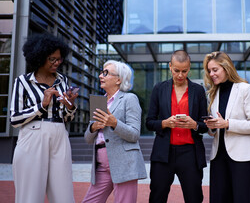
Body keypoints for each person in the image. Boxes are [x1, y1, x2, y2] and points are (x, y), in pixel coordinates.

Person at [10, 34, 78, 203]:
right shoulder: (23, 82)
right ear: (39, 58)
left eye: (59, 59)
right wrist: (42, 105)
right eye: (52, 59)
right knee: (30, 195)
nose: (57, 63)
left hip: (60, 134)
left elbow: (67, 117)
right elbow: (15, 118)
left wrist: (70, 107)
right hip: (33, 135)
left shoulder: (63, 81)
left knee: (64, 195)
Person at [146, 50, 208, 203]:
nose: (180, 75)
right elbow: (149, 122)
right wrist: (165, 123)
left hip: (190, 154)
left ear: (189, 67)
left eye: (184, 71)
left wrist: (194, 125)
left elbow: (204, 125)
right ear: (170, 66)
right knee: (157, 197)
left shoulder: (198, 91)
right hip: (163, 153)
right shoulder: (159, 89)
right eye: (176, 70)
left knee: (194, 198)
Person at [203, 51, 250, 203]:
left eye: (215, 70)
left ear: (226, 67)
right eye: (209, 71)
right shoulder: (213, 93)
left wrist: (228, 123)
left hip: (242, 157)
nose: (211, 74)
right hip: (218, 156)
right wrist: (212, 126)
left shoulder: (245, 89)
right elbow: (214, 130)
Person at [82, 60, 146, 203]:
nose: (100, 76)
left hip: (124, 163)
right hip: (101, 165)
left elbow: (134, 134)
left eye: (106, 73)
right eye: (101, 72)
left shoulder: (129, 99)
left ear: (119, 79)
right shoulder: (100, 102)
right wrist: (93, 127)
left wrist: (114, 123)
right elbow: (88, 138)